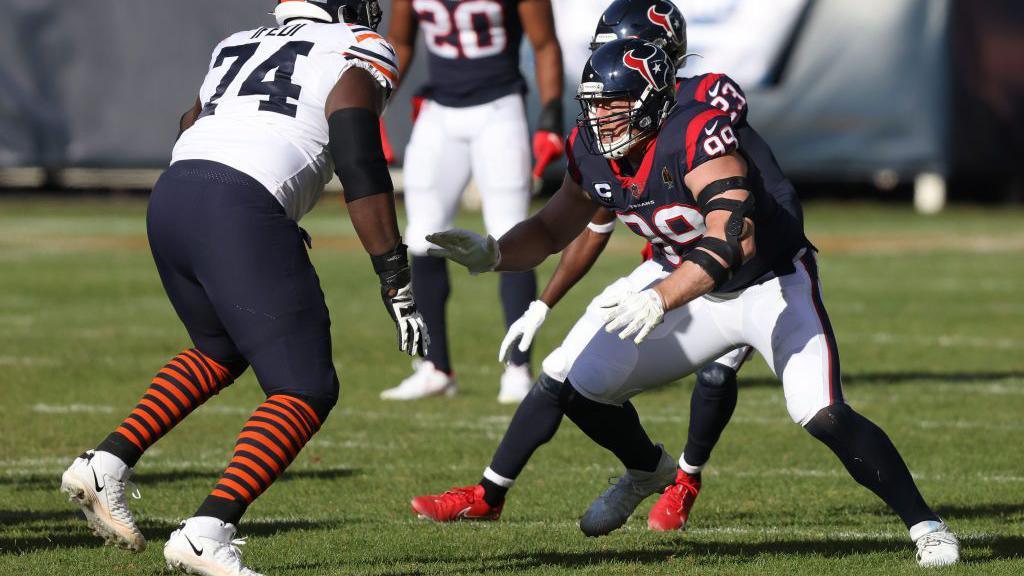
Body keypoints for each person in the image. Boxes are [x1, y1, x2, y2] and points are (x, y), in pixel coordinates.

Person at [417, 37, 959, 568]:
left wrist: (661, 296)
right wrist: (494, 253)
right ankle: (648, 471)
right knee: (581, 385)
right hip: (687, 284)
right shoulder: (592, 149)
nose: (600, 117)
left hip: (768, 284)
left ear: (651, 100)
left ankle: (926, 525)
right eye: (594, 104)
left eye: (614, 103)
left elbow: (733, 239)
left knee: (821, 413)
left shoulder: (696, 132)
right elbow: (551, 227)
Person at [58, 2, 427, 574]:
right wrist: (393, 273)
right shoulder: (353, 45)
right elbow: (358, 155)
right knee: (305, 387)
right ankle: (209, 529)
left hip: (177, 190)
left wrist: (254, 206)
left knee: (219, 350)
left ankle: (106, 463)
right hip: (235, 206)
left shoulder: (239, 41)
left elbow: (192, 121)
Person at [379, 0, 564, 403]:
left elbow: (545, 43)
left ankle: (518, 369)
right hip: (438, 111)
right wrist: (378, 101)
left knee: (510, 235)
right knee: (421, 238)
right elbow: (401, 41)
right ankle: (435, 367)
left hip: (499, 109)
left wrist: (550, 116)